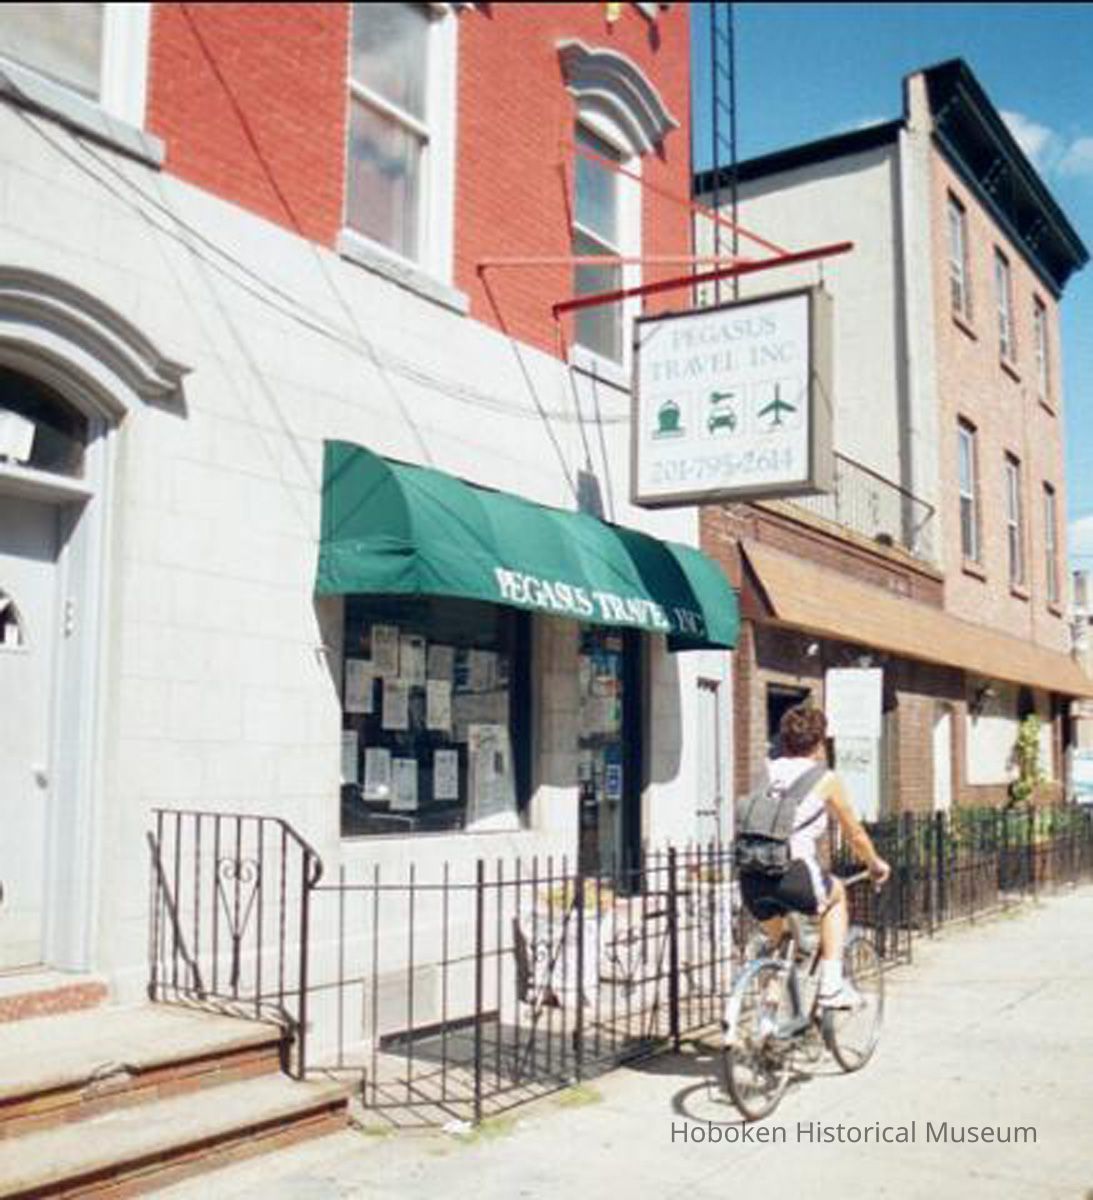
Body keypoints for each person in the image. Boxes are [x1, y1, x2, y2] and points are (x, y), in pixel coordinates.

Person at [740, 704, 891, 1009]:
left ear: (783, 740)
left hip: (751, 875)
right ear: (820, 742)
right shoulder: (826, 779)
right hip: (794, 873)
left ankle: (767, 1024)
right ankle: (832, 986)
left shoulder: (764, 770)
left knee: (779, 944)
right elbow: (856, 834)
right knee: (836, 897)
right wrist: (875, 864)